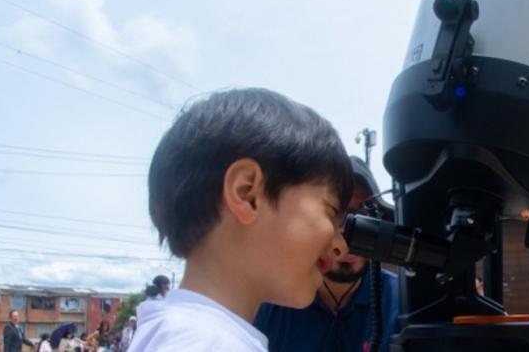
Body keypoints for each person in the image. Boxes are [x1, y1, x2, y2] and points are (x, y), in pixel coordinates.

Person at [129, 88, 354, 352]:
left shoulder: (180, 332)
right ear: (247, 193)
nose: (341, 246)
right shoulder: (205, 343)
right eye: (330, 210)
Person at [254, 156, 400, 351]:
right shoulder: (272, 300)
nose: (348, 231)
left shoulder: (400, 301)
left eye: (364, 216)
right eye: (334, 213)